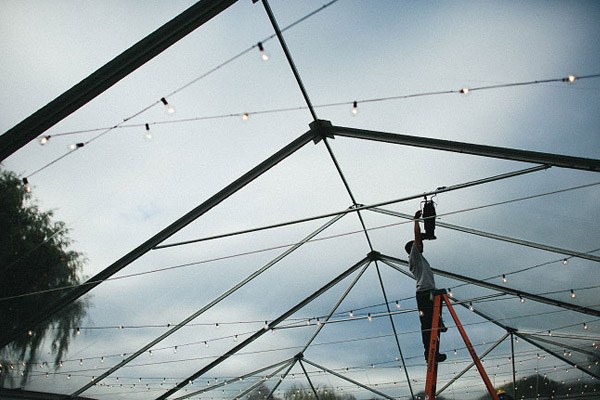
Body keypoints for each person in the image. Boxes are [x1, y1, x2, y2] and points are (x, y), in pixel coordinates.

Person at [406, 209, 447, 363]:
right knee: (427, 325)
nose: (421, 245)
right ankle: (429, 353)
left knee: (432, 323)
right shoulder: (414, 255)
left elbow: (418, 239)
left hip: (429, 292)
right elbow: (416, 238)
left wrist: (425, 235)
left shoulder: (419, 259)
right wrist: (416, 221)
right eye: (419, 244)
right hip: (424, 293)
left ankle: (434, 351)